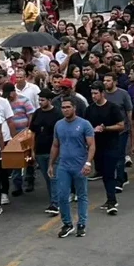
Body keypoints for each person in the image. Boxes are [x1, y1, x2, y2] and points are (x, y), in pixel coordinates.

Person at [49, 97, 95, 238]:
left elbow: (92, 145)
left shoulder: (84, 124)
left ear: (74, 108)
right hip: (63, 166)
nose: (65, 110)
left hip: (79, 166)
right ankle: (67, 224)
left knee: (81, 195)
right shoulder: (58, 125)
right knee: (62, 195)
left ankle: (81, 224)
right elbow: (56, 145)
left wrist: (88, 163)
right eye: (63, 107)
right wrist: (51, 164)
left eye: (68, 107)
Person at [85, 82, 124, 215]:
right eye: (92, 93)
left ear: (103, 93)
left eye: (96, 93)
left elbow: (121, 125)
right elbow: (87, 127)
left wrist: (105, 128)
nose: (94, 96)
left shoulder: (113, 108)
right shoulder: (90, 109)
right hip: (96, 147)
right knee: (102, 172)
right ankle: (110, 198)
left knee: (109, 173)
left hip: (111, 145)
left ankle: (112, 201)